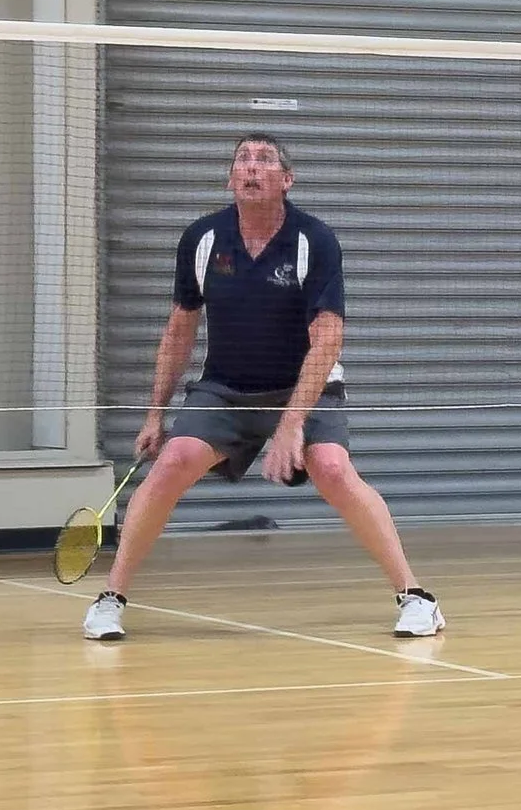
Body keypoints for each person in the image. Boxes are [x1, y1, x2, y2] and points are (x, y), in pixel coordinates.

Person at [82, 135, 443, 643]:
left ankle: (416, 597)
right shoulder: (203, 239)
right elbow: (179, 329)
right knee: (170, 464)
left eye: (265, 160)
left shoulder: (312, 240)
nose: (252, 168)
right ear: (231, 179)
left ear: (286, 180)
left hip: (302, 385)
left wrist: (292, 424)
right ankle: (110, 598)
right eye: (242, 161)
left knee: (334, 469)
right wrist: (154, 414)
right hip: (225, 389)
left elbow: (328, 338)